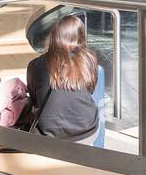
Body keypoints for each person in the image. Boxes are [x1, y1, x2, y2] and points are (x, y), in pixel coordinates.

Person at [22, 14, 104, 147]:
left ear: (54, 36)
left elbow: (35, 99)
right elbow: (90, 89)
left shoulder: (35, 65)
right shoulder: (89, 59)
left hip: (50, 136)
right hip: (88, 130)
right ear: (81, 36)